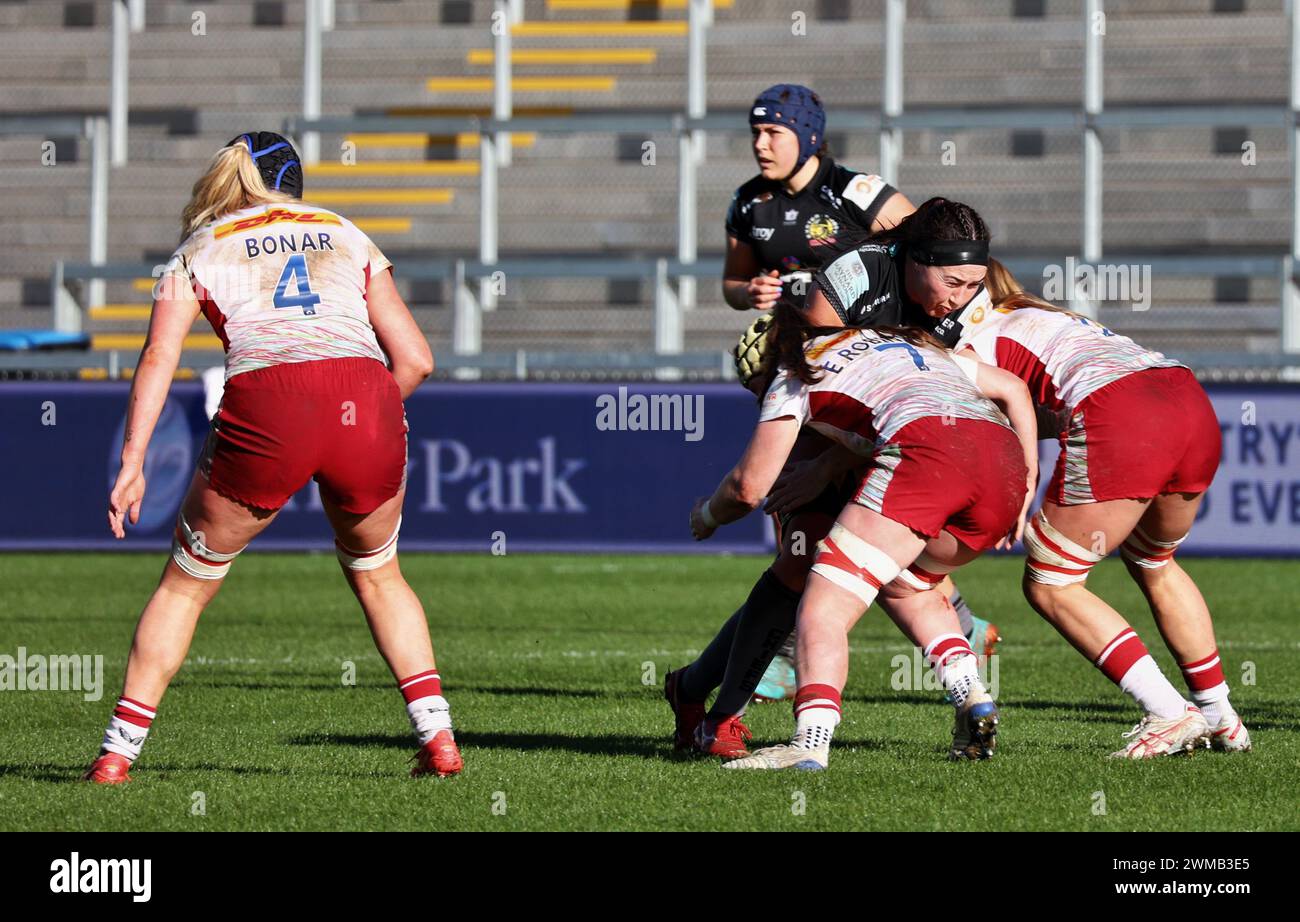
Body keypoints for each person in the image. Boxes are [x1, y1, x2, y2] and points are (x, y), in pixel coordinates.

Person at [84, 132, 462, 783]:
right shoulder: (343, 230)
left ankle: (117, 757)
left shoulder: (198, 248)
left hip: (269, 404)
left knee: (184, 587)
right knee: (380, 576)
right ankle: (440, 741)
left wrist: (132, 460)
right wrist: (363, 411)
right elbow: (418, 360)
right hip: (362, 399)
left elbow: (157, 359)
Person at [665, 198, 1018, 758]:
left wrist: (710, 514)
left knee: (817, 587)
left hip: (906, 449)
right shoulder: (870, 302)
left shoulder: (805, 360)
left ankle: (782, 738)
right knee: (861, 573)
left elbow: (749, 487)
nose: (962, 295)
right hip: (974, 454)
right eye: (955, 281)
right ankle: (709, 707)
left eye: (970, 282)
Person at [933, 264, 1251, 758]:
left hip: (1121, 413)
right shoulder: (1049, 317)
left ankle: (1169, 712)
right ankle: (1221, 716)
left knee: (1052, 583)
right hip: (1186, 396)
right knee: (1155, 562)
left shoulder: (968, 339)